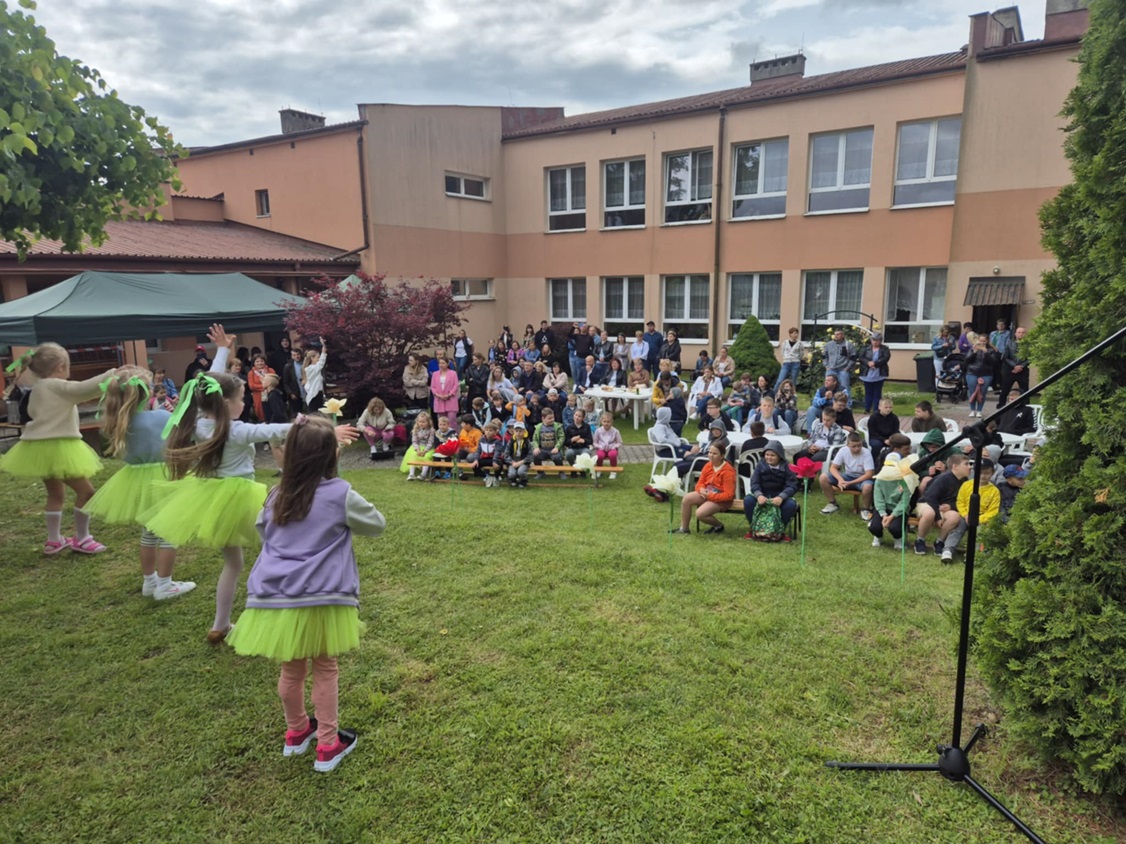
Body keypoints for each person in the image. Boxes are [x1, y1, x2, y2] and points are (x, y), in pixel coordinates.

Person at [145, 333, 358, 643]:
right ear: (227, 403)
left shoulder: (201, 422)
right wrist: (326, 430)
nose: (244, 402)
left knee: (233, 564)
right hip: (241, 499)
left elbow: (210, 384)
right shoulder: (237, 430)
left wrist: (222, 351)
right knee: (275, 552)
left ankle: (220, 624)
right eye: (241, 398)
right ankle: (286, 602)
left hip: (210, 497)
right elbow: (276, 428)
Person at [226, 415, 385, 774]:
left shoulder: (275, 495)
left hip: (276, 595)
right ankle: (328, 744)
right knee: (325, 668)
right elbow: (376, 524)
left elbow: (264, 533)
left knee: (291, 668)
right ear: (332, 455)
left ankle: (297, 730)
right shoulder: (339, 494)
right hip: (323, 595)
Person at [84, 368, 196, 599]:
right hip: (164, 477)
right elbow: (180, 434)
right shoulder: (161, 417)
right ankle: (165, 585)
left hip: (135, 480)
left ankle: (149, 581)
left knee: (149, 532)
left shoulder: (119, 423)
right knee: (168, 532)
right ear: (146, 393)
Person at [0, 342, 121, 555]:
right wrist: (113, 374)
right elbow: (84, 389)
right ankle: (82, 538)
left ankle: (54, 540)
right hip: (59, 447)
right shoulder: (58, 387)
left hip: (38, 448)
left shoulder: (37, 388)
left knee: (55, 494)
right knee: (87, 492)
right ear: (60, 367)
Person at [939, 459, 1000, 562]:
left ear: (992, 473)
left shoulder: (994, 491)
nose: (983, 476)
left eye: (986, 473)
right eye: (980, 473)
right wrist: (965, 515)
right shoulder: (966, 485)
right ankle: (948, 550)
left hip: (982, 518)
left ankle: (973, 554)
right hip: (966, 515)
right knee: (958, 529)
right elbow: (960, 502)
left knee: (980, 533)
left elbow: (993, 510)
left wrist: (979, 519)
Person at [670, 443, 736, 535]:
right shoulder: (708, 465)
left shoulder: (728, 471)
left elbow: (729, 495)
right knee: (687, 498)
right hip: (707, 493)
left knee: (700, 514)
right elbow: (700, 482)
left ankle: (718, 526)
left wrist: (710, 496)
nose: (711, 455)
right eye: (710, 452)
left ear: (722, 456)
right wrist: (701, 489)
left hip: (721, 500)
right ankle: (684, 529)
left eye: (714, 453)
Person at [913, 452, 971, 556]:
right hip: (927, 504)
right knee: (929, 513)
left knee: (955, 516)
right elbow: (930, 497)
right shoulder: (943, 478)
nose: (969, 467)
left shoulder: (965, 481)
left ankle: (940, 541)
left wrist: (951, 506)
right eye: (966, 464)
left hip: (944, 508)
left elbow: (963, 501)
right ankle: (920, 540)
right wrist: (938, 518)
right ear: (955, 466)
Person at [743, 439, 799, 540]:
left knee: (790, 505)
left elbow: (792, 485)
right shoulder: (760, 465)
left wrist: (781, 497)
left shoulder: (787, 467)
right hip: (763, 494)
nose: (769, 457)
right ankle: (754, 529)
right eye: (767, 454)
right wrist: (759, 495)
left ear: (779, 456)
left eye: (772, 455)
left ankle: (779, 531)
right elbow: (755, 482)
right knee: (748, 500)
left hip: (779, 496)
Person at [819, 431, 875, 518]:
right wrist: (840, 479)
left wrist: (850, 483)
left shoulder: (866, 453)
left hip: (862, 478)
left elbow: (869, 474)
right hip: (847, 476)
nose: (857, 448)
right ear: (847, 445)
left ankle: (865, 509)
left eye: (859, 446)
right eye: (854, 446)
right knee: (823, 477)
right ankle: (833, 503)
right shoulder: (843, 451)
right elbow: (833, 468)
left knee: (868, 486)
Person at [868, 455, 918, 550]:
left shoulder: (905, 480)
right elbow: (878, 499)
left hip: (899, 510)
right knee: (874, 527)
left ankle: (898, 538)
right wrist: (883, 515)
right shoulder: (880, 479)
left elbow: (904, 502)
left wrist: (892, 516)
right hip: (884, 508)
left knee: (895, 528)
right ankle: (878, 536)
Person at [996, 326, 1030, 407]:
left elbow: (1030, 358)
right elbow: (1005, 357)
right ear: (1015, 334)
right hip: (1010, 371)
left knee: (1025, 390)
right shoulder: (1009, 343)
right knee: (1004, 390)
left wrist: (1021, 366)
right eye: (1019, 332)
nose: (1021, 334)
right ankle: (1001, 408)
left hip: (1023, 371)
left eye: (1023, 332)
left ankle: (1026, 408)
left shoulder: (1029, 345)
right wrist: (1014, 366)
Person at [964, 335, 997, 417]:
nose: (982, 343)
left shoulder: (991, 350)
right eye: (980, 341)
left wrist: (986, 353)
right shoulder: (972, 349)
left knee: (982, 392)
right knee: (972, 392)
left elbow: (993, 362)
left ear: (987, 341)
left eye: (984, 341)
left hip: (986, 373)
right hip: (972, 372)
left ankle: (979, 410)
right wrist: (974, 352)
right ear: (978, 341)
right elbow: (967, 360)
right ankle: (972, 410)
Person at [858, 332, 891, 414]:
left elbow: (886, 358)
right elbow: (861, 357)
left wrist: (875, 364)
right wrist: (868, 363)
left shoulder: (885, 349)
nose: (875, 342)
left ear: (880, 341)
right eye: (873, 340)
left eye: (877, 340)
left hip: (879, 373)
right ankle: (867, 408)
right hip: (867, 373)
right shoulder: (865, 348)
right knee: (868, 392)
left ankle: (876, 409)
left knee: (877, 392)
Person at [402, 411, 436, 480]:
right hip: (417, 446)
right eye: (420, 422)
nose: (421, 423)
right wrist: (417, 450)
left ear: (428, 422)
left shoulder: (431, 430)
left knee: (426, 456)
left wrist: (425, 451)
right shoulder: (415, 429)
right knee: (413, 455)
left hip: (428, 447)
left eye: (423, 422)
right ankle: (411, 474)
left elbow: (430, 442)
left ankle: (423, 474)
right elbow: (414, 441)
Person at [469, 420, 505, 486]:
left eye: (490, 430)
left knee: (499, 464)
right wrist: (476, 460)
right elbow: (478, 451)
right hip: (485, 458)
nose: (488, 432)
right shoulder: (481, 440)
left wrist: (494, 461)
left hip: (495, 459)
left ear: (495, 432)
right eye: (486, 430)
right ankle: (486, 476)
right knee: (474, 466)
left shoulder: (497, 441)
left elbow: (497, 452)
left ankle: (496, 477)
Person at [532, 407, 565, 476]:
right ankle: (540, 473)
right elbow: (535, 439)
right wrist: (536, 447)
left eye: (553, 418)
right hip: (543, 450)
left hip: (554, 449)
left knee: (557, 458)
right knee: (535, 456)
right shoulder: (538, 427)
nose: (552, 420)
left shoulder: (557, 426)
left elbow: (562, 438)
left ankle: (561, 472)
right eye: (549, 418)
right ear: (543, 418)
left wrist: (557, 447)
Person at [429, 356, 460, 427]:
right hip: (439, 399)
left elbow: (455, 385)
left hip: (450, 399)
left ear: (447, 364)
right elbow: (432, 386)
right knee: (442, 421)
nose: (441, 365)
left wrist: (449, 394)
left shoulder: (453, 373)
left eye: (443, 363)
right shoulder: (435, 374)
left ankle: (452, 433)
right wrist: (438, 395)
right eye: (440, 363)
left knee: (451, 420)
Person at [593, 411, 623, 479]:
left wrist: (614, 447)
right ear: (601, 422)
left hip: (612, 448)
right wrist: (599, 446)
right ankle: (599, 470)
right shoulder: (598, 431)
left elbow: (620, 442)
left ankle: (613, 471)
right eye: (604, 421)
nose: (606, 423)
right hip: (601, 448)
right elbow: (594, 442)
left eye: (608, 422)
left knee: (613, 455)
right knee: (599, 456)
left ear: (611, 422)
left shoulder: (615, 431)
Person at [247, 353, 275, 422]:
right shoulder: (251, 373)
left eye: (262, 361)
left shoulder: (270, 370)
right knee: (261, 414)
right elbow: (252, 386)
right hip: (258, 396)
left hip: (270, 395)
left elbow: (273, 382)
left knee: (272, 412)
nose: (260, 363)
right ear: (254, 363)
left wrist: (265, 386)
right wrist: (265, 386)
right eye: (257, 361)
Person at [302, 342, 328, 413]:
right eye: (317, 357)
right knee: (315, 413)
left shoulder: (314, 369)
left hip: (318, 393)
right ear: (312, 358)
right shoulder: (310, 369)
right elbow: (321, 363)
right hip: (314, 395)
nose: (319, 359)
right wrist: (323, 350)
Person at [506, 421, 532, 487]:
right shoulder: (511, 441)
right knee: (511, 473)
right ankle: (513, 480)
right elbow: (506, 454)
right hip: (513, 460)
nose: (518, 433)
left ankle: (523, 481)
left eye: (520, 431)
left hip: (523, 461)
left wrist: (521, 462)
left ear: (524, 431)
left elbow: (530, 455)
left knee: (521, 471)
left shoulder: (527, 441)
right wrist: (512, 462)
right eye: (516, 431)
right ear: (514, 431)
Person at [282, 348, 306, 417]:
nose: (296, 356)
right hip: (295, 392)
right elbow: (285, 382)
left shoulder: (305, 364)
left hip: (306, 391)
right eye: (294, 355)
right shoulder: (288, 366)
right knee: (296, 414)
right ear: (292, 356)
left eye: (298, 354)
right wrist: (290, 393)